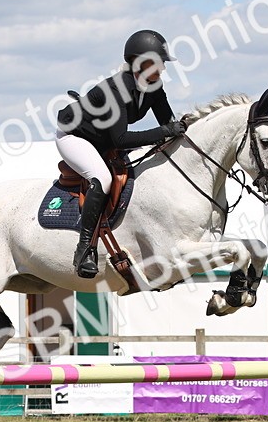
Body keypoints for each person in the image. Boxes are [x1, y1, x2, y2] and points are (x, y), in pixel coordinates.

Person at [55, 29, 188, 278]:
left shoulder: (153, 87)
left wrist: (183, 127)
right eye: (158, 63)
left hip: (104, 139)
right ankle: (84, 249)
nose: (163, 69)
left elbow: (168, 124)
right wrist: (165, 130)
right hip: (75, 138)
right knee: (103, 179)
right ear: (141, 63)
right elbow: (122, 139)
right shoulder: (117, 89)